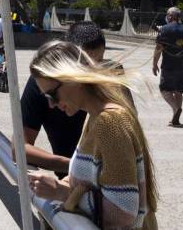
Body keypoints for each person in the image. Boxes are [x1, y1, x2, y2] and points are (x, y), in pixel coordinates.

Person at [27, 41, 158, 229]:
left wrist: (62, 193)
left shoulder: (110, 122)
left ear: (74, 78)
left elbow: (123, 212)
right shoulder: (94, 117)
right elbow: (90, 180)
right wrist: (59, 185)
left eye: (52, 95)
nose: (51, 104)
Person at [21, 21, 111, 174]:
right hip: (70, 181)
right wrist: (75, 168)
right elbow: (20, 146)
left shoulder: (111, 84)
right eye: (84, 65)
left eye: (98, 62)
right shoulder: (44, 83)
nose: (90, 73)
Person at [151, 7, 183, 126]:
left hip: (168, 66)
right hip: (182, 66)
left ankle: (175, 109)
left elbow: (158, 48)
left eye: (167, 15)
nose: (167, 17)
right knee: (178, 91)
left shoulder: (164, 30)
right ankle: (175, 115)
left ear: (171, 16)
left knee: (165, 90)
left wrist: (154, 64)